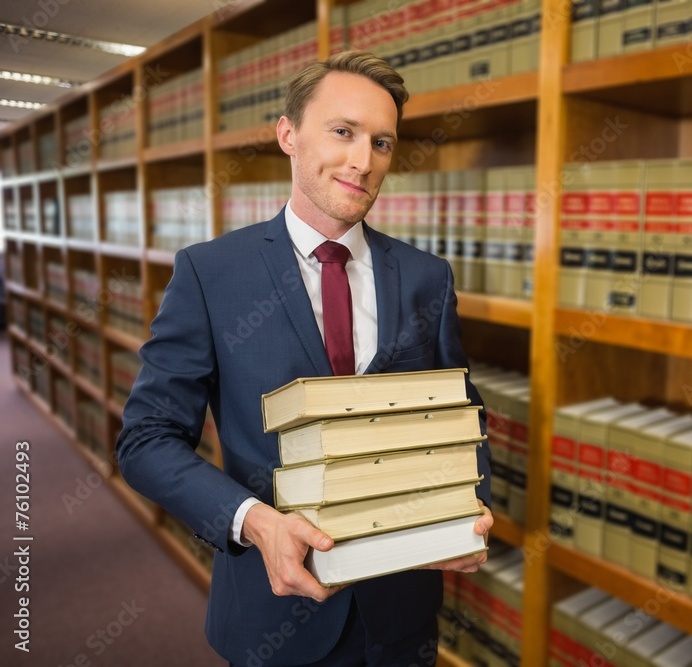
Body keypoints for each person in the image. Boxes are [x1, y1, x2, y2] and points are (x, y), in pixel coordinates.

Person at [116, 51, 492, 667]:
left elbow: (462, 416)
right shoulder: (210, 273)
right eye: (342, 132)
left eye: (381, 142)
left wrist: (463, 506)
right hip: (274, 615)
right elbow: (146, 441)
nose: (362, 160)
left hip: (403, 611)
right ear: (288, 135)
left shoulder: (428, 277)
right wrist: (255, 522)